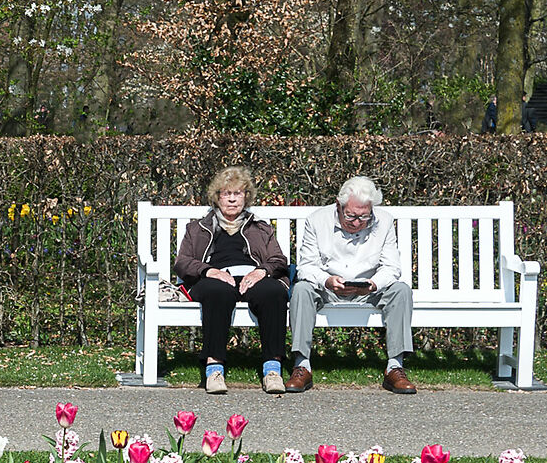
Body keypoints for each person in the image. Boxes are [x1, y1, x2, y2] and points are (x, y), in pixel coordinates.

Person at [171, 166, 293, 396]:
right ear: (217, 197)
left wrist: (261, 271)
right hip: (214, 278)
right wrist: (209, 271)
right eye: (226, 193)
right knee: (218, 292)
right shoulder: (198, 228)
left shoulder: (260, 228)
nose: (232, 199)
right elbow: (183, 262)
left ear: (246, 197)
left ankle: (272, 369)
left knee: (272, 292)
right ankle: (214, 368)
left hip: (252, 276)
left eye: (238, 193)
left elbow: (278, 259)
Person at [288, 175, 415, 394]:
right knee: (301, 289)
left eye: (364, 217)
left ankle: (395, 367)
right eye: (351, 216)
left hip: (369, 288)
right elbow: (306, 266)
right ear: (339, 205)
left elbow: (392, 267)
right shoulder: (317, 220)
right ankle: (302, 365)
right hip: (327, 287)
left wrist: (373, 284)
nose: (357, 223)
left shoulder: (384, 221)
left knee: (401, 290)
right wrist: (327, 281)